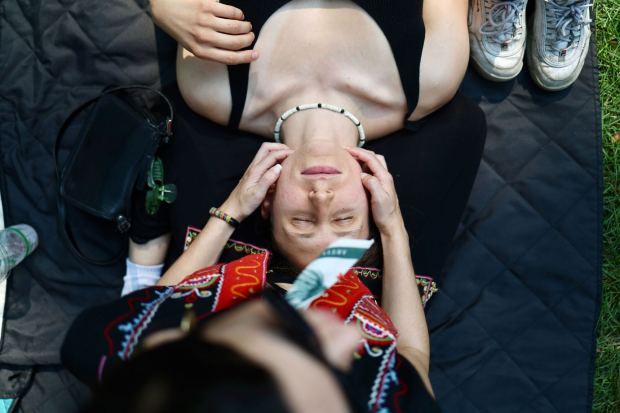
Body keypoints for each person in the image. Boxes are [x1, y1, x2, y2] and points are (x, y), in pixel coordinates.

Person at [124, 0, 486, 293]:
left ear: (267, 200)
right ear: (371, 196)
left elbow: (147, 322)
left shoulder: (213, 91)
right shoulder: (433, 78)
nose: (321, 198)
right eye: (344, 218)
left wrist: (166, 6)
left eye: (301, 221)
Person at [62, 145, 440, 412]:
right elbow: (410, 356)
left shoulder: (110, 344)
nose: (353, 335)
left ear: (174, 337)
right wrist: (393, 231)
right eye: (344, 377)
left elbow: (163, 298)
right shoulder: (396, 403)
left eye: (297, 335)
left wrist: (232, 210)